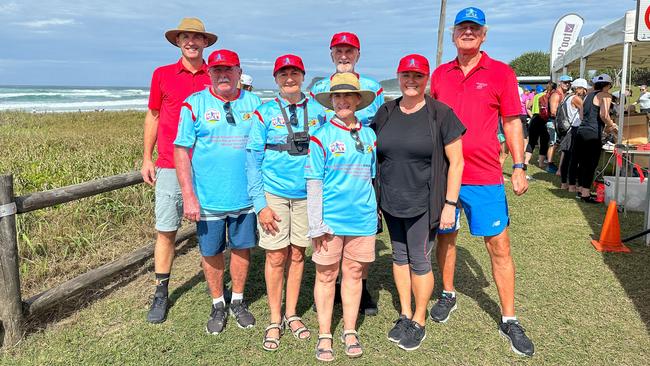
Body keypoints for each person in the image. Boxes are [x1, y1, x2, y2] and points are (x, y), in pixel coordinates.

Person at [429, 7, 534, 357]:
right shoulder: (440, 74)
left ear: (484, 34)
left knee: (499, 245)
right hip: (445, 175)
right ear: (454, 34)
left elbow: (512, 121)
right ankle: (447, 293)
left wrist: (518, 165)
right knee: (446, 238)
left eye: (474, 28)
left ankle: (509, 317)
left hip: (485, 174)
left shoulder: (502, 73)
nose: (468, 33)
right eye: (462, 27)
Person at [373, 54, 465, 351]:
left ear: (427, 80)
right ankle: (404, 313)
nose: (411, 81)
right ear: (398, 77)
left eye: (418, 76)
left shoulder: (441, 114)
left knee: (420, 259)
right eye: (406, 76)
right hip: (390, 200)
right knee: (399, 257)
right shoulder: (386, 111)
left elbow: (457, 162)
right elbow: (373, 153)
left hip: (425, 202)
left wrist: (450, 204)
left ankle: (419, 320)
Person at [174, 49, 262, 334]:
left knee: (242, 248)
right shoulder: (194, 104)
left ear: (239, 72)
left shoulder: (255, 102)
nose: (223, 75)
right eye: (216, 70)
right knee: (211, 250)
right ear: (209, 73)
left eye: (229, 70)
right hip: (208, 198)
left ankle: (237, 300)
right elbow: (181, 151)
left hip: (246, 196)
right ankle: (217, 303)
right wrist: (188, 195)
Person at [246, 54, 326, 351]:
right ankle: (274, 318)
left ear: (303, 76)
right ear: (276, 78)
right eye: (283, 74)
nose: (289, 78)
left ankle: (292, 313)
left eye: (294, 72)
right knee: (275, 256)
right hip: (274, 195)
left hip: (307, 194)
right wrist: (260, 204)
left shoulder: (320, 109)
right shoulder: (264, 112)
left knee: (297, 254)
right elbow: (253, 160)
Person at [142, 17, 217, 324]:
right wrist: (146, 157)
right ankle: (161, 292)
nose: (191, 41)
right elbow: (154, 116)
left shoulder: (215, 74)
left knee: (213, 227)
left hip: (208, 164)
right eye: (185, 37)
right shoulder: (162, 74)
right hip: (170, 164)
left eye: (196, 37)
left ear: (205, 43)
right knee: (166, 228)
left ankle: (218, 289)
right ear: (178, 41)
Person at [310, 31, 383, 315]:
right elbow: (313, 122)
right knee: (327, 237)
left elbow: (378, 126)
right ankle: (329, 289)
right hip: (328, 168)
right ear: (331, 54)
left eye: (349, 51)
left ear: (358, 54)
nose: (344, 56)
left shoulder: (373, 87)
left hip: (361, 166)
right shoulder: (319, 88)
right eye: (338, 51)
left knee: (359, 245)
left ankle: (359, 290)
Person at [307, 73, 377, 361]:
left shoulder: (371, 135)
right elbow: (314, 182)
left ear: (358, 100)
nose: (343, 101)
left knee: (354, 275)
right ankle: (325, 334)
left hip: (362, 219)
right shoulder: (321, 136)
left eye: (349, 96)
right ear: (331, 101)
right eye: (337, 96)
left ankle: (349, 330)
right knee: (326, 276)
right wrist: (316, 224)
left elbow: (370, 178)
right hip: (330, 222)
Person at [572, 74, 618, 203]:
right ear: (608, 85)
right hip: (593, 132)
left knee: (582, 162)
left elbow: (581, 115)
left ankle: (581, 190)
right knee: (590, 163)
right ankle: (586, 194)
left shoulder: (587, 96)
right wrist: (612, 125)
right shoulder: (605, 96)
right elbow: (604, 114)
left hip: (581, 131)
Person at [559, 78, 589, 190]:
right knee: (574, 159)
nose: (585, 92)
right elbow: (585, 110)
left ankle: (564, 184)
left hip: (568, 130)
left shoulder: (567, 97)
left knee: (567, 157)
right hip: (574, 129)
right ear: (579, 88)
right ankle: (572, 185)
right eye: (584, 89)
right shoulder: (576, 98)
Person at [547, 75, 573, 173]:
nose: (567, 84)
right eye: (565, 82)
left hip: (558, 122)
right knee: (553, 143)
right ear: (560, 82)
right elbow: (553, 112)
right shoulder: (556, 95)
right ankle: (549, 165)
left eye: (569, 82)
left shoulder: (563, 94)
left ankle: (555, 165)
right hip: (553, 122)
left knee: (557, 144)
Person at [526, 82, 554, 167]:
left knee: (531, 141)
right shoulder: (549, 96)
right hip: (543, 119)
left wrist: (531, 115)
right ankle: (541, 163)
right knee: (544, 141)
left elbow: (528, 106)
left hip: (534, 118)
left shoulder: (536, 96)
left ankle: (526, 162)